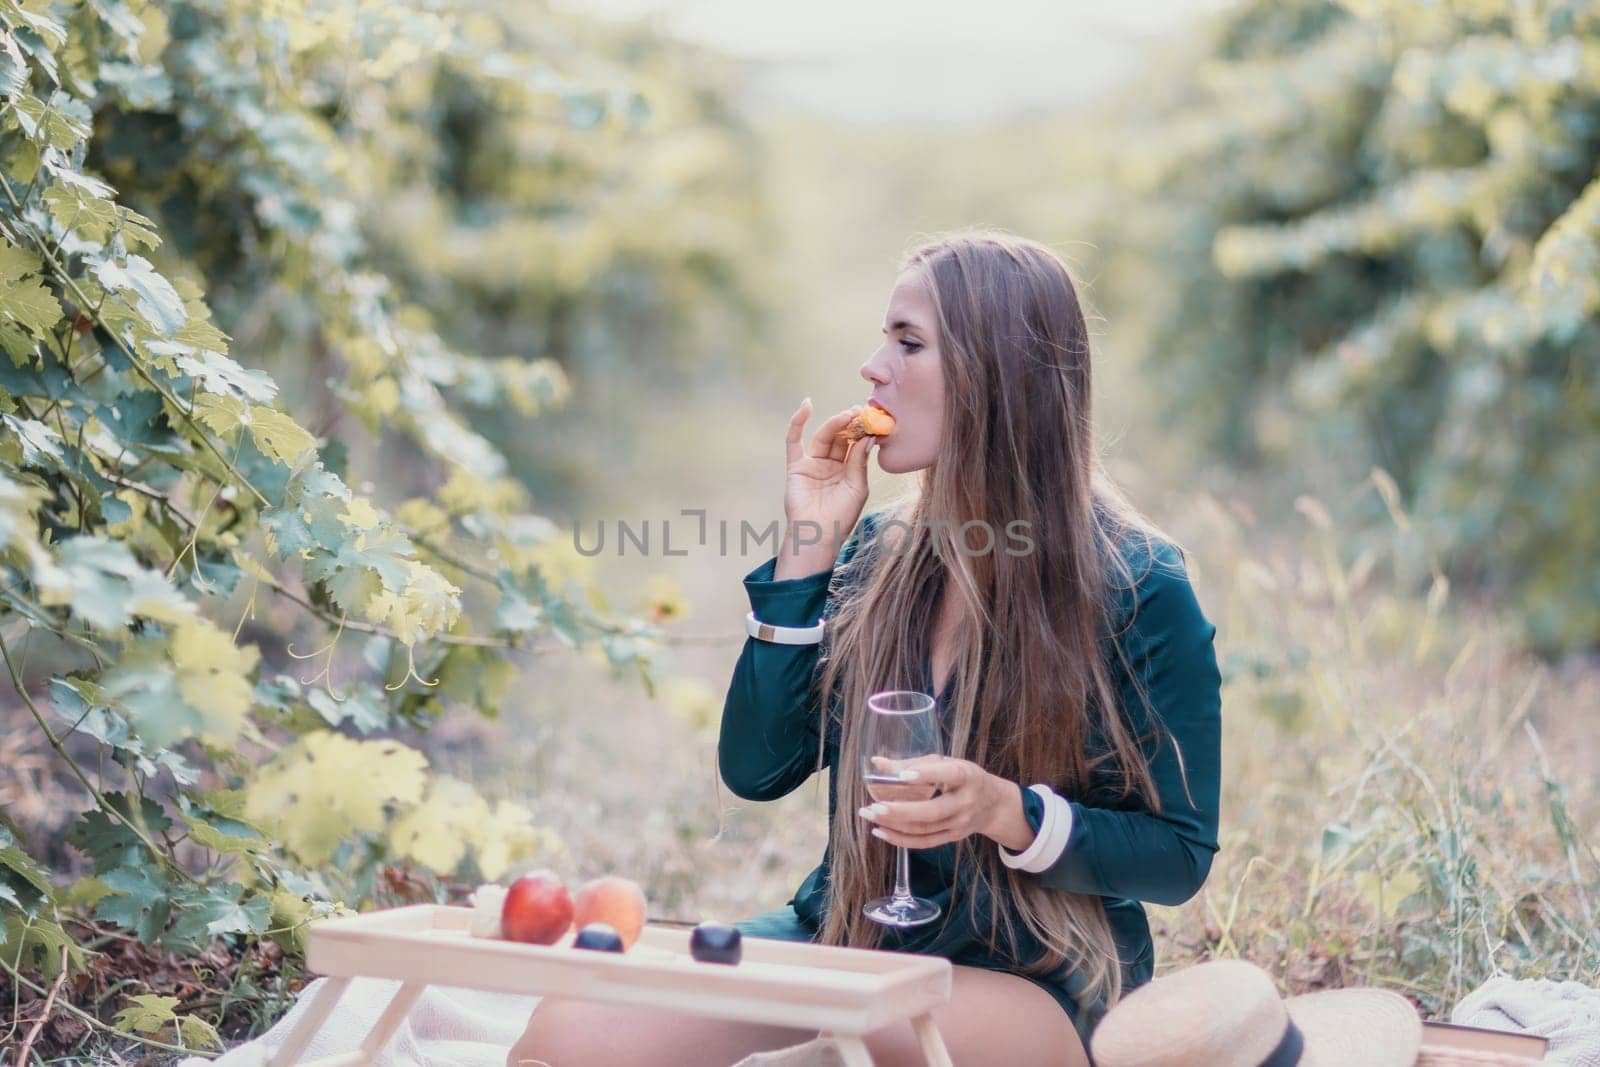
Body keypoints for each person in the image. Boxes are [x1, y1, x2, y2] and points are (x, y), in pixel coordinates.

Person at [508, 229, 1223, 1067]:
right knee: (568, 1033)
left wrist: (1008, 811)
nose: (872, 367)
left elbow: (1178, 854)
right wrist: (809, 546)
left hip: (1034, 974)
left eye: (907, 342)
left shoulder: (1139, 584)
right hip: (850, 935)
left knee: (834, 1056)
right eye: (886, 337)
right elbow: (757, 766)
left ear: (997, 375)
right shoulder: (879, 553)